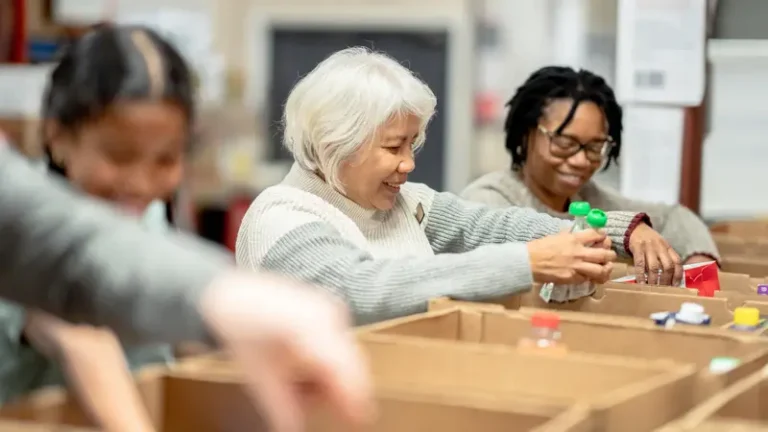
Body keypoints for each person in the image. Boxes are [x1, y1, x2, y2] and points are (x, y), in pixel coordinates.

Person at [235, 47, 681, 326]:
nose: (409, 163)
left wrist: (615, 233)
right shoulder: (282, 218)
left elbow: (489, 226)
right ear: (337, 144)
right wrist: (525, 263)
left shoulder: (405, 204)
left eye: (412, 144)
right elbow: (362, 290)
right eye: (394, 147)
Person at [0, 146, 373, 432]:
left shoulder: (146, 216)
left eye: (164, 159)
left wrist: (219, 314)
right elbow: (80, 330)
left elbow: (174, 331)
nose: (140, 182)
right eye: (119, 154)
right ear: (60, 138)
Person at [461, 66, 717, 284]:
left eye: (595, 147)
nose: (580, 160)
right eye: (563, 143)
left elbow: (675, 218)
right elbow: (518, 247)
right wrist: (623, 231)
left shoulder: (588, 197)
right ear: (525, 134)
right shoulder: (487, 197)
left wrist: (698, 261)